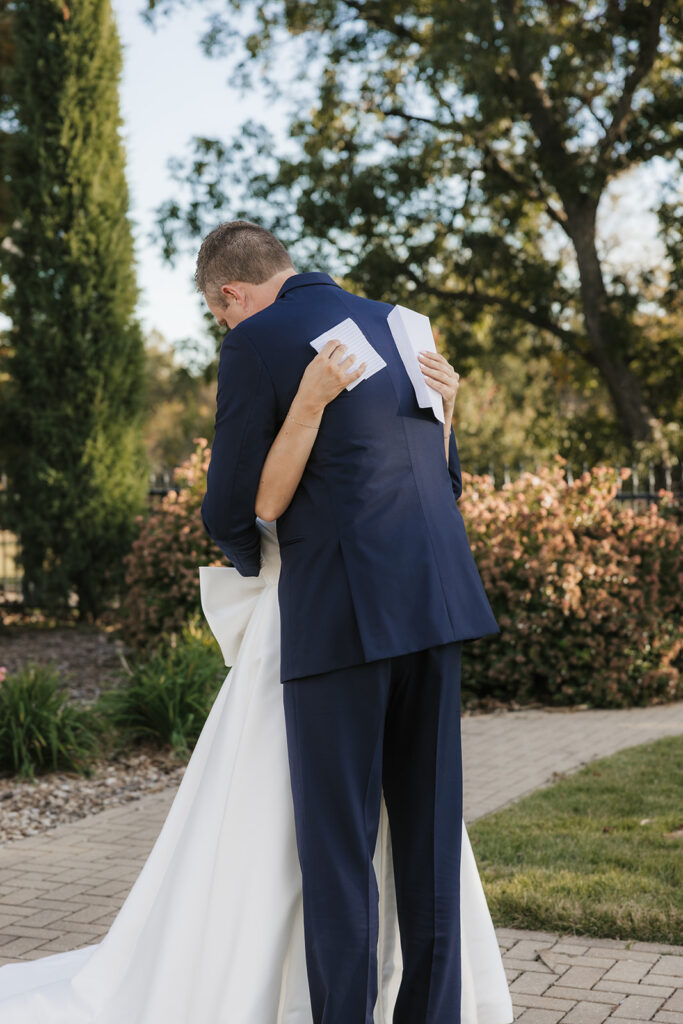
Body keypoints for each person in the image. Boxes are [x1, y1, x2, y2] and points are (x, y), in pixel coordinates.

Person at [0, 221, 514, 1024]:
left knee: (337, 851)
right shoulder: (404, 324)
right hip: (440, 605)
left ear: (227, 294)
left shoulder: (255, 341)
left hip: (338, 615)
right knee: (429, 841)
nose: (223, 328)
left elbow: (231, 506)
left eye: (217, 315)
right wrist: (450, 414)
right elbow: (441, 482)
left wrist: (257, 563)